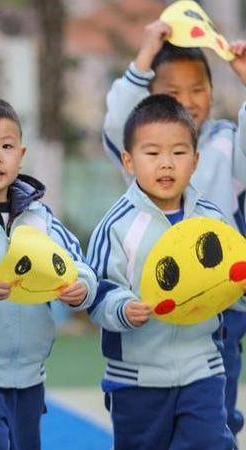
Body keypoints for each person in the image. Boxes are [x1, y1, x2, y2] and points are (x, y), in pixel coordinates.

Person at [102, 23, 246, 435]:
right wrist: (146, 53)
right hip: (151, 309)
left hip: (218, 305)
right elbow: (118, 120)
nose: (187, 100)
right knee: (151, 427)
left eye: (198, 88)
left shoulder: (227, 143)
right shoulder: (144, 148)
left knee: (215, 415)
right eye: (172, 91)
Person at [0, 95, 97, 450]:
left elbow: (77, 265)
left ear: (21, 154)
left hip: (29, 373)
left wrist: (81, 288)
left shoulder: (40, 218)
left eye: (7, 146)